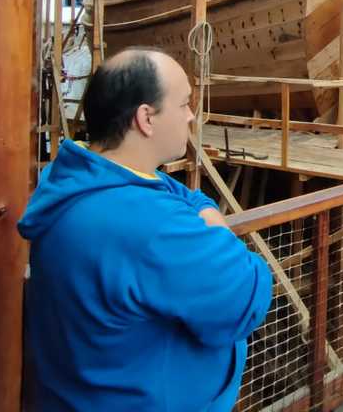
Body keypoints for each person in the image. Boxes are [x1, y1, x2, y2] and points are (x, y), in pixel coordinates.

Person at [18, 47, 272, 412]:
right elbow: (249, 295)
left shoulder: (76, 178)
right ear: (146, 118)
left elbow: (181, 192)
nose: (191, 116)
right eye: (184, 104)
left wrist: (198, 208)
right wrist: (215, 224)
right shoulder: (152, 225)